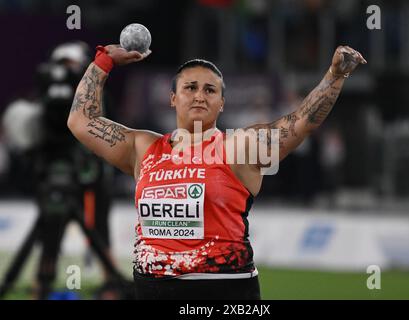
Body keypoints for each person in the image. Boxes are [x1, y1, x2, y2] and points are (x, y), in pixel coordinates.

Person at [67, 44, 366, 300]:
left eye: (210, 90)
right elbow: (80, 121)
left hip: (222, 291)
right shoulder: (143, 148)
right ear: (173, 98)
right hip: (151, 289)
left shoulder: (239, 147)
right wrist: (103, 60)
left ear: (222, 103)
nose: (199, 95)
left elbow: (301, 122)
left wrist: (335, 76)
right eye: (190, 87)